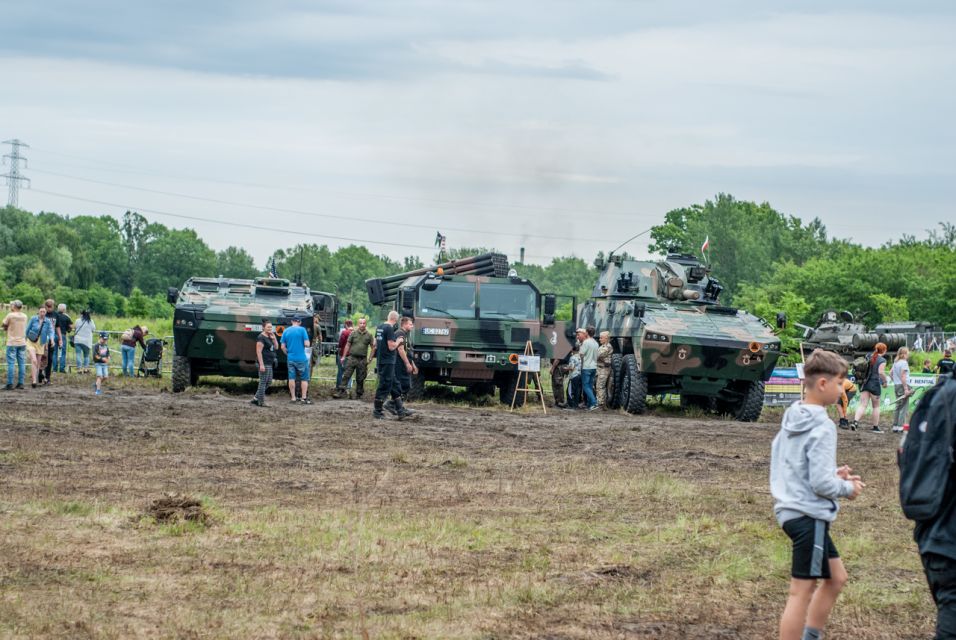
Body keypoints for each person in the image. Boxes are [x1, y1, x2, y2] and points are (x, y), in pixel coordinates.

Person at [770, 349, 864, 640]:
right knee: (801, 591)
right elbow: (822, 485)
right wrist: (847, 488)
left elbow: (795, 465)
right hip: (808, 516)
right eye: (839, 383)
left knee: (836, 578)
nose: (842, 390)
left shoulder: (793, 416)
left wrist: (833, 473)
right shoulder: (822, 425)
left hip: (792, 511)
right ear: (823, 384)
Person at [372, 310, 410, 419]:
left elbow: (374, 344)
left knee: (395, 385)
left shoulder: (379, 327)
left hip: (382, 360)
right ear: (395, 319)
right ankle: (377, 411)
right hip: (387, 361)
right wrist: (398, 341)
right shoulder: (389, 328)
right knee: (384, 385)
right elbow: (391, 346)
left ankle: (400, 410)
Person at [852, 342, 888, 433]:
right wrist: (885, 381)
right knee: (876, 406)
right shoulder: (882, 360)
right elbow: (880, 372)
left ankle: (855, 422)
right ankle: (875, 427)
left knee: (862, 404)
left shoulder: (868, 356)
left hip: (864, 383)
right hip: (874, 385)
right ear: (884, 350)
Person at [385, 316, 418, 416]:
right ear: (404, 324)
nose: (412, 326)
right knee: (403, 385)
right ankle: (392, 404)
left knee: (405, 386)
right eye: (410, 324)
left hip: (404, 363)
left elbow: (408, 351)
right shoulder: (400, 333)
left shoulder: (406, 334)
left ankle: (397, 406)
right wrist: (407, 364)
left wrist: (413, 364)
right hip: (399, 364)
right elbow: (400, 350)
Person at [335, 317, 374, 399]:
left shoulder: (369, 335)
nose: (362, 325)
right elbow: (347, 345)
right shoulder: (353, 333)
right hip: (352, 358)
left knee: (360, 378)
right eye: (361, 323)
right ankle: (341, 391)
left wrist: (370, 358)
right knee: (346, 375)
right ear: (358, 324)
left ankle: (358, 394)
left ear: (366, 324)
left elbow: (373, 347)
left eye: (364, 323)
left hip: (362, 359)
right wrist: (343, 356)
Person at [280, 316, 312, 404]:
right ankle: (303, 398)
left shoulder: (286, 331)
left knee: (291, 378)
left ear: (291, 321)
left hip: (290, 358)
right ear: (300, 322)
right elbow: (307, 344)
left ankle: (293, 398)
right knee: (304, 379)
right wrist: (307, 343)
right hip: (301, 358)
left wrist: (288, 354)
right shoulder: (302, 330)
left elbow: (282, 347)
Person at [26, 306, 55, 387]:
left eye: (44, 312)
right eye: (41, 311)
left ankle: (34, 378)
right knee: (34, 360)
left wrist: (52, 340)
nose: (42, 313)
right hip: (31, 341)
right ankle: (34, 381)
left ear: (46, 312)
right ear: (38, 312)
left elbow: (51, 331)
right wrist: (24, 339)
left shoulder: (47, 321)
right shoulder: (33, 319)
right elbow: (27, 330)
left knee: (38, 363)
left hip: (41, 343)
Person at [2, 300, 28, 390]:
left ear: (14, 306)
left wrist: (7, 327)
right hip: (22, 342)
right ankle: (21, 383)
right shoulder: (25, 316)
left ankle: (10, 383)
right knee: (22, 363)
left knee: (11, 363)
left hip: (12, 342)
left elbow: (4, 324)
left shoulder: (10, 315)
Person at [251, 320, 278, 407]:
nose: (270, 328)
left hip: (269, 363)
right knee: (263, 382)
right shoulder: (261, 337)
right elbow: (258, 352)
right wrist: (261, 364)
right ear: (263, 328)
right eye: (268, 327)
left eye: (271, 327)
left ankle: (255, 398)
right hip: (264, 363)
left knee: (268, 382)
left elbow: (276, 347)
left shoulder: (270, 336)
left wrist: (274, 339)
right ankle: (261, 402)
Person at [891, 347, 913, 433]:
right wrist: (906, 388)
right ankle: (900, 427)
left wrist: (896, 381)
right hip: (903, 385)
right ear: (904, 354)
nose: (908, 355)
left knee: (898, 406)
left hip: (897, 385)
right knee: (904, 407)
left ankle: (895, 426)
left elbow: (890, 373)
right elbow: (903, 376)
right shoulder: (904, 363)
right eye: (907, 353)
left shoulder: (895, 362)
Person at [578, 328, 599, 410]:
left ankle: (594, 402)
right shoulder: (596, 343)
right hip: (594, 366)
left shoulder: (586, 342)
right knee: (590, 386)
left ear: (587, 333)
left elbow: (581, 354)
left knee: (585, 386)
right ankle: (590, 405)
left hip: (586, 366)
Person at [596, 331, 613, 409]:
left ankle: (601, 404)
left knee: (600, 386)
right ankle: (601, 403)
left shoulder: (607, 347)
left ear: (606, 338)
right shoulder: (602, 346)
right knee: (599, 386)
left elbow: (598, 355)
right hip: (600, 368)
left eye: (601, 338)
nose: (599, 339)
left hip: (604, 369)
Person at [53, 303, 72, 373]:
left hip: (54, 335)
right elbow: (70, 327)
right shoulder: (66, 317)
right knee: (63, 353)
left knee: (54, 352)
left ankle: (54, 369)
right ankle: (62, 368)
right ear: (64, 310)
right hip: (62, 335)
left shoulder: (54, 315)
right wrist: (68, 330)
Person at [42, 299, 57, 383]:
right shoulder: (42, 314)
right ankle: (40, 374)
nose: (50, 308)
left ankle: (47, 377)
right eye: (48, 306)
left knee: (50, 359)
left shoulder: (55, 315)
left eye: (51, 306)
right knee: (42, 358)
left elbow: (57, 327)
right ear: (45, 306)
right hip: (42, 340)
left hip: (51, 340)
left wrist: (60, 339)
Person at [335, 319, 353, 390]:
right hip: (352, 355)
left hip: (343, 354)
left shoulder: (344, 332)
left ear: (346, 325)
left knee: (340, 371)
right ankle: (348, 387)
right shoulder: (355, 332)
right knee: (349, 371)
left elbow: (340, 343)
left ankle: (339, 386)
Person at [567, 344, 582, 409]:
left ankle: (571, 404)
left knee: (570, 391)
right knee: (578, 391)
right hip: (579, 375)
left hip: (573, 376)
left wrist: (566, 368)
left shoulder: (572, 357)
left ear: (572, 349)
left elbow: (572, 367)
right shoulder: (580, 357)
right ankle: (576, 404)